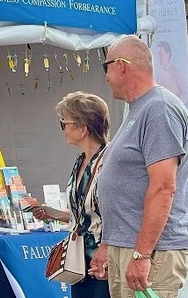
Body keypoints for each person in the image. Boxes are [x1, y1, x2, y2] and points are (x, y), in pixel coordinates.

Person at [91, 35, 188, 298]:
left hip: (151, 252)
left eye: (107, 67)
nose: (106, 76)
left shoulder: (159, 109)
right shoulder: (137, 109)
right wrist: (107, 244)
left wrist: (142, 254)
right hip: (127, 247)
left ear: (121, 66)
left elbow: (164, 187)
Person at [32, 91, 111, 298]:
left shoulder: (110, 161)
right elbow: (85, 213)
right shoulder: (80, 161)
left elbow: (117, 214)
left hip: (103, 262)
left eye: (64, 123)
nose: (63, 129)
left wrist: (106, 250)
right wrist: (52, 213)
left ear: (83, 128)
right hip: (79, 263)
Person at [155, 41, 188, 109]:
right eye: (158, 54)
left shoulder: (176, 72)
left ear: (168, 54)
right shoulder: (158, 74)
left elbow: (186, 96)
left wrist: (174, 107)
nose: (159, 56)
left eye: (161, 54)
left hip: (173, 112)